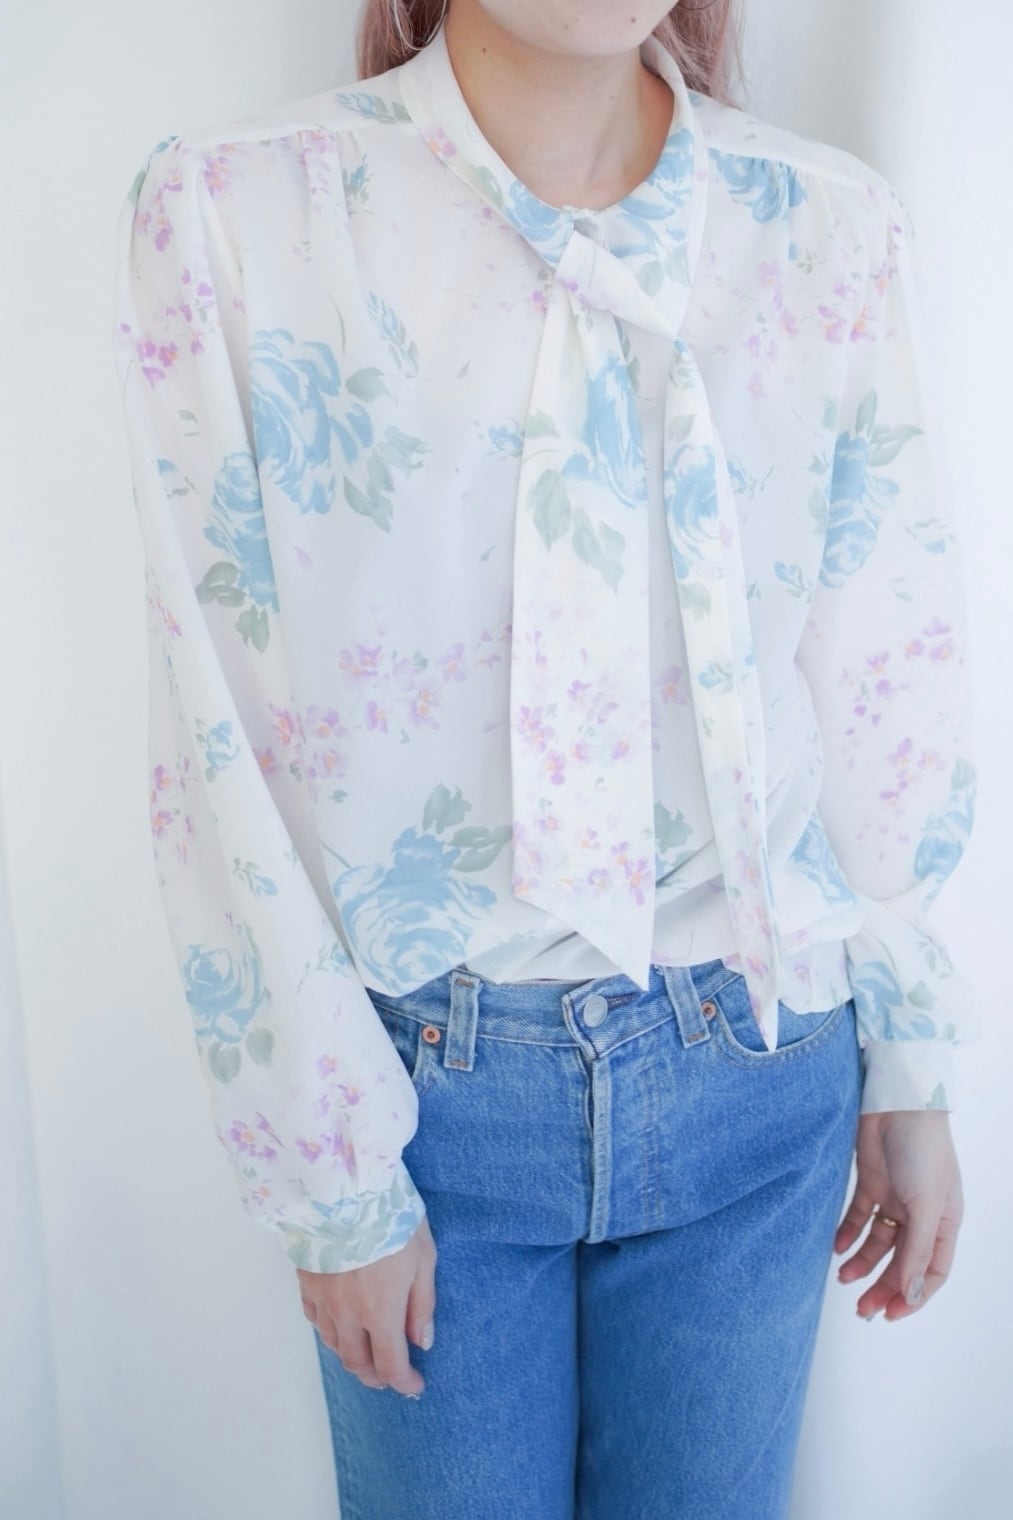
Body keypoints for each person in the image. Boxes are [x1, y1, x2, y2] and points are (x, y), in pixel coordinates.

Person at [111, 1, 980, 1515]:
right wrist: (334, 1175)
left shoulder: (823, 226)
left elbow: (879, 671)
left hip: (761, 1059)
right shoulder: (240, 212)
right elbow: (215, 724)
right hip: (431, 1101)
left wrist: (910, 1055)